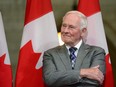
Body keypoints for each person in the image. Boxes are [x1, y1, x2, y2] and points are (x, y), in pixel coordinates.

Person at [42, 11, 106, 87]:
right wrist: (82, 72)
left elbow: (95, 81)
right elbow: (50, 79)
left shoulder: (96, 52)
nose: (65, 31)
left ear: (83, 31)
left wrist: (62, 80)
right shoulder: (50, 54)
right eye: (64, 26)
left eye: (71, 27)